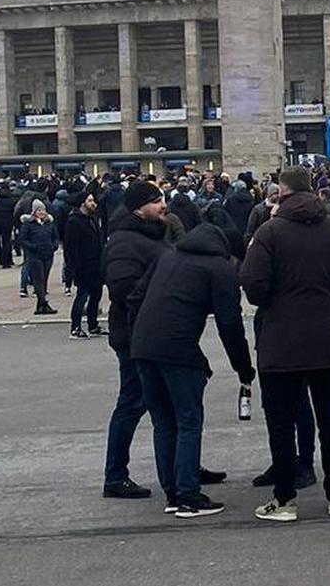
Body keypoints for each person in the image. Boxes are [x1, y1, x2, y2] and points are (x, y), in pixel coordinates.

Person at [240, 165, 330, 523]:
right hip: (325, 337)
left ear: (283, 191)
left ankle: (285, 498)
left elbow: (253, 285)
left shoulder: (269, 232)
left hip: (281, 340)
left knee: (281, 421)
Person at [128, 211, 256, 520]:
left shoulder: (168, 256)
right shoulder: (218, 268)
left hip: (143, 347)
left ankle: (172, 492)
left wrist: (138, 338)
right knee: (188, 420)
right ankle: (187, 495)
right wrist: (244, 368)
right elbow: (230, 324)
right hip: (178, 350)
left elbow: (135, 297)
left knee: (163, 420)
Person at [103, 183, 170, 501]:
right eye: (156, 201)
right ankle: (115, 475)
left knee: (170, 405)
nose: (163, 205)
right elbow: (122, 288)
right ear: (138, 207)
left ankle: (180, 467)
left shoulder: (151, 234)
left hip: (158, 333)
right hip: (135, 335)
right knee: (132, 403)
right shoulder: (124, 240)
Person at [65, 192, 106, 338]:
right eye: (90, 201)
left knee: (96, 295)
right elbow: (71, 247)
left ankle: (93, 325)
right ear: (82, 203)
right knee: (82, 296)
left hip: (96, 265)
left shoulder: (92, 219)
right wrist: (73, 268)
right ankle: (75, 327)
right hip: (83, 266)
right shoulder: (74, 221)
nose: (93, 203)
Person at [17, 199, 59, 316]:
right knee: (38, 279)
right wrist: (33, 247)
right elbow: (22, 239)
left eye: (43, 210)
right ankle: (44, 303)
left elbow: (55, 237)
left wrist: (53, 246)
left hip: (48, 254)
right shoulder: (28, 224)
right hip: (35, 255)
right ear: (34, 211)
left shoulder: (49, 223)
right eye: (39, 210)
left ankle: (40, 306)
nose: (41, 212)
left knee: (44, 279)